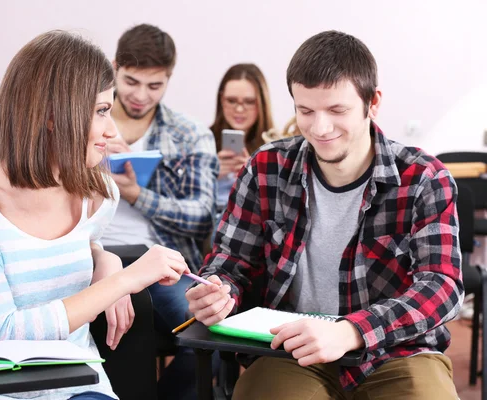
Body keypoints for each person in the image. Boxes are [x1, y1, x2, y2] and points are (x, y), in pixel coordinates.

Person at [186, 30, 463, 399]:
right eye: (305, 111)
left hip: (398, 352)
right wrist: (219, 291)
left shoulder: (424, 178)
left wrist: (352, 331)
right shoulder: (266, 168)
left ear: (373, 103)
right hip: (289, 349)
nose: (319, 128)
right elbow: (230, 263)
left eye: (336, 110)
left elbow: (441, 286)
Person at [0, 30, 189, 400]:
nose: (112, 130)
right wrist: (122, 281)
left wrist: (106, 260)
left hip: (77, 385)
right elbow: (3, 330)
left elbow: (82, 245)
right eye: (102, 111)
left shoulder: (99, 195)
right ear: (54, 116)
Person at [100, 24, 218, 400]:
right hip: (91, 254)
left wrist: (136, 194)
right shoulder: (87, 122)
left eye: (155, 86)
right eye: (132, 81)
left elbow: (201, 216)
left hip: (158, 260)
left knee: (212, 333)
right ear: (115, 67)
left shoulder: (189, 133)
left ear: (169, 78)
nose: (139, 95)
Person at [209, 63, 274, 214]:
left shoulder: (275, 149)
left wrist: (253, 176)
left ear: (261, 103)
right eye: (231, 101)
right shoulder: (201, 142)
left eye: (249, 102)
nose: (239, 109)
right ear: (221, 100)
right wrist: (209, 175)